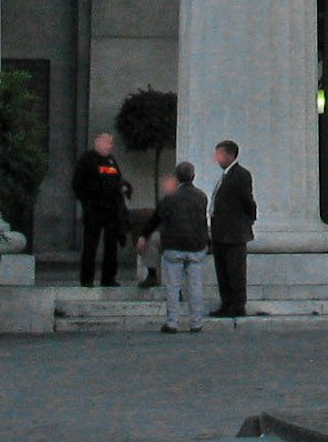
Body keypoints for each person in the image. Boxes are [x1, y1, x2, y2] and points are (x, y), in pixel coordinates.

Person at [148, 160, 213, 333]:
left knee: (172, 285)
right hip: (196, 245)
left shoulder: (170, 198)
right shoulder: (201, 196)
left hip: (174, 245)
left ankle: (172, 322)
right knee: (195, 285)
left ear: (177, 177)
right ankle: (196, 322)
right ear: (193, 176)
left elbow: (160, 217)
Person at [70, 130, 132, 290]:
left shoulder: (111, 161)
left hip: (112, 211)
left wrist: (123, 188)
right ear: (97, 142)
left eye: (110, 143)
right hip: (94, 210)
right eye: (106, 142)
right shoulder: (87, 160)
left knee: (111, 245)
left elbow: (118, 179)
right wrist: (87, 201)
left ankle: (109, 277)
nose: (109, 145)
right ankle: (87, 278)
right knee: (91, 244)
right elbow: (77, 184)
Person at [207, 139, 255, 318]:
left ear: (229, 155)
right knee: (223, 271)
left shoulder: (240, 175)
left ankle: (237, 304)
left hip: (233, 233)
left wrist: (247, 220)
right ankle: (226, 303)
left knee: (235, 271)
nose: (216, 158)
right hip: (221, 233)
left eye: (219, 154)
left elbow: (248, 201)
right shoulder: (225, 175)